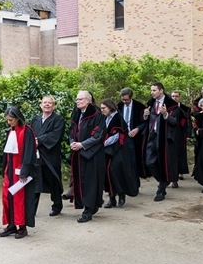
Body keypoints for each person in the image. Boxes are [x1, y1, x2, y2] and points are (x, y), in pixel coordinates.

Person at [0, 106, 40, 239]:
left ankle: (22, 227)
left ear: (17, 118)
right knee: (7, 197)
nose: (8, 122)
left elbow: (29, 152)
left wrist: (24, 171)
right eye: (8, 120)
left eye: (11, 120)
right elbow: (7, 153)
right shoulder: (11, 131)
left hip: (21, 170)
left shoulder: (27, 131)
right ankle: (11, 225)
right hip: (10, 170)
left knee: (20, 199)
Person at [143, 82, 186, 202]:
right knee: (149, 162)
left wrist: (165, 114)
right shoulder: (150, 104)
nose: (152, 93)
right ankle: (164, 181)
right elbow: (147, 119)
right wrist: (145, 116)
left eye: (154, 90)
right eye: (151, 90)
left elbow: (175, 122)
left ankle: (161, 190)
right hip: (152, 136)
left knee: (164, 163)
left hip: (164, 138)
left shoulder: (172, 105)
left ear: (161, 91)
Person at [69, 90, 106, 222]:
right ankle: (90, 205)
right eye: (77, 99)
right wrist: (72, 142)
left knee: (91, 182)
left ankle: (88, 210)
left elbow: (98, 136)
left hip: (92, 154)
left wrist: (82, 144)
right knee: (81, 181)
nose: (77, 101)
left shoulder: (97, 115)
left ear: (88, 101)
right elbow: (71, 131)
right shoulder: (77, 113)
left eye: (80, 99)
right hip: (79, 154)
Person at [30, 96, 66, 216]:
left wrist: (38, 140)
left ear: (54, 106)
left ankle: (57, 205)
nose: (47, 105)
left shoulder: (58, 120)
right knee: (36, 181)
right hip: (37, 155)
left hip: (50, 155)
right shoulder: (35, 120)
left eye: (50, 103)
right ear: (40, 105)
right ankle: (32, 209)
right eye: (45, 103)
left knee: (53, 180)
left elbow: (55, 135)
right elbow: (30, 133)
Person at [100, 99, 138, 208]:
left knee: (116, 171)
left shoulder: (118, 119)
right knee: (107, 173)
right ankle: (112, 197)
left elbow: (116, 136)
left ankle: (121, 194)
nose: (102, 110)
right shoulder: (104, 118)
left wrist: (102, 144)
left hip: (118, 150)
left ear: (110, 107)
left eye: (104, 108)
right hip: (106, 151)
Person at [118, 87, 148, 188]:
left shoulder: (139, 107)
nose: (124, 101)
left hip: (134, 138)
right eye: (123, 99)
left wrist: (137, 129)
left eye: (126, 99)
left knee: (133, 161)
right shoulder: (118, 106)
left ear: (131, 97)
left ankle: (135, 184)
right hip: (121, 137)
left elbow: (145, 122)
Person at [170, 90, 192, 187]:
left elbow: (188, 123)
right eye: (173, 96)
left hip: (181, 134)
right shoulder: (168, 107)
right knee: (171, 155)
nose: (174, 98)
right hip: (170, 134)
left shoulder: (185, 109)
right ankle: (172, 176)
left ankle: (180, 172)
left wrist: (188, 135)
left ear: (180, 97)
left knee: (181, 154)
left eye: (176, 96)